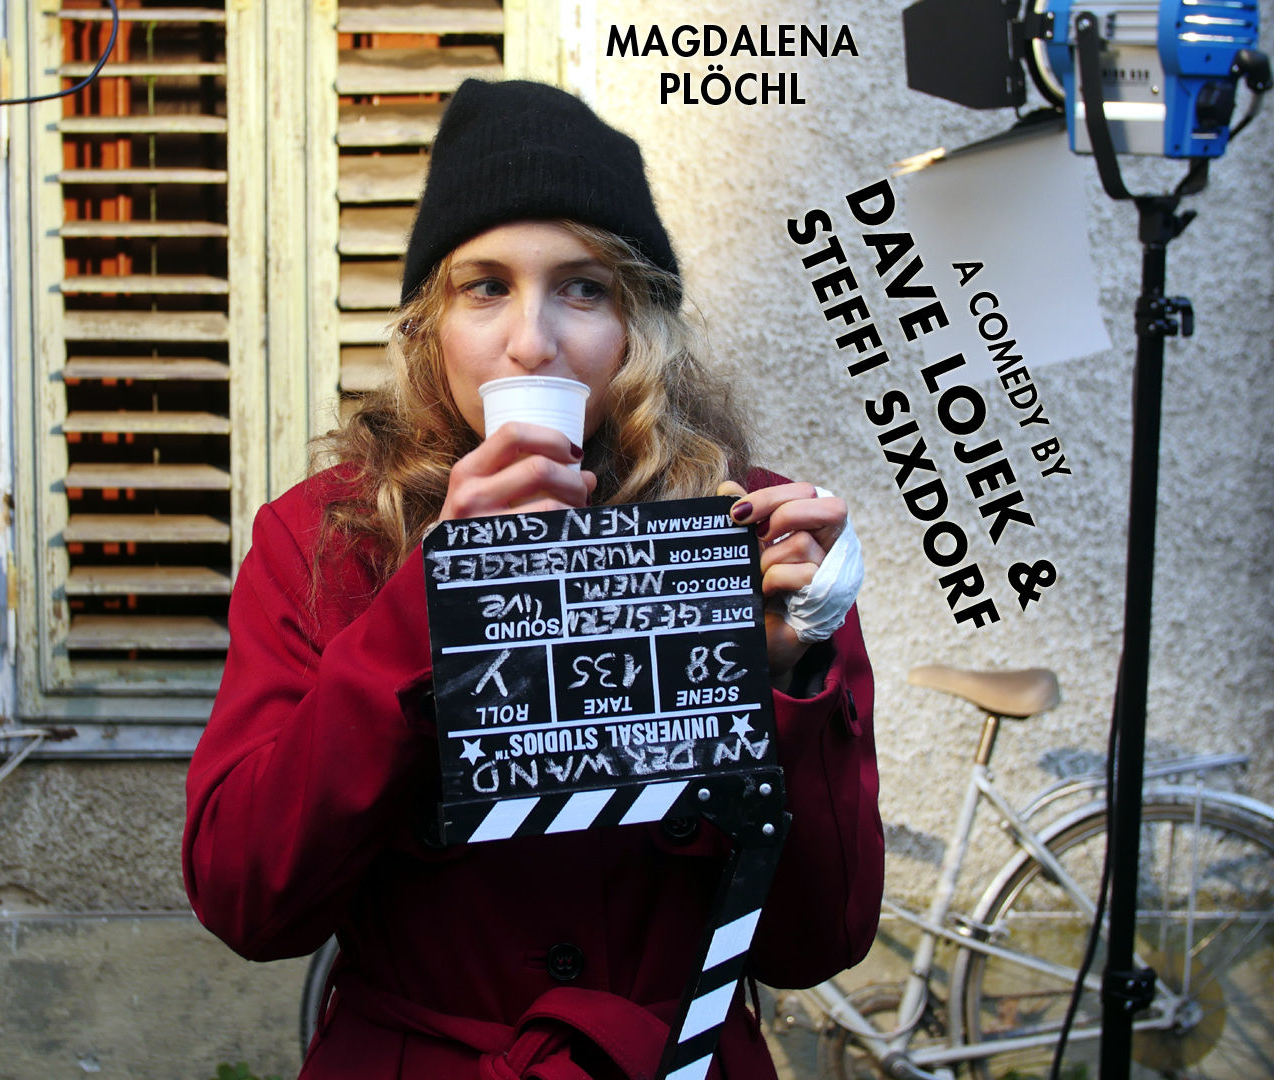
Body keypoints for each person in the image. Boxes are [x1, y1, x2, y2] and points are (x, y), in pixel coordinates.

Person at [183, 79, 882, 1079]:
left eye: (583, 288)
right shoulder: (329, 539)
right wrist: (430, 606)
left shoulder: (749, 530)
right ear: (428, 322)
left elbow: (819, 941)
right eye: (485, 287)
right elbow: (246, 901)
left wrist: (790, 674)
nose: (531, 341)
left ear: (640, 324)